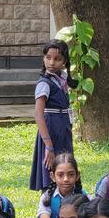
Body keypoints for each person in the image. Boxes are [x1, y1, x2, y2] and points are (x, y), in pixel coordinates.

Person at [31, 39, 75, 192]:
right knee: (50, 168)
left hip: (63, 129)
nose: (52, 62)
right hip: (51, 130)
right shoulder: (44, 83)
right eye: (48, 57)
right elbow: (38, 113)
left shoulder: (61, 79)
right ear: (43, 58)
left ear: (64, 61)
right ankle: (49, 204)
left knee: (66, 165)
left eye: (57, 59)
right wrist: (48, 145)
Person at [22, 152, 84, 218]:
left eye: (71, 174)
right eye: (60, 175)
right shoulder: (47, 197)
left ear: (77, 175)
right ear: (53, 176)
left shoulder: (84, 197)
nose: (66, 179)